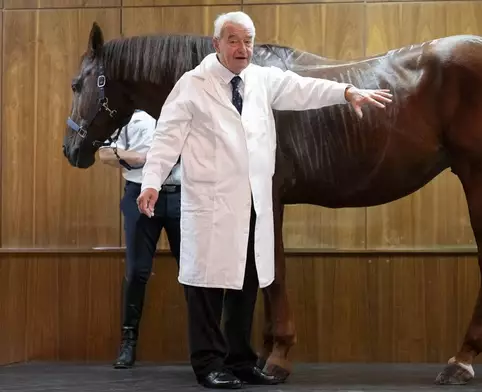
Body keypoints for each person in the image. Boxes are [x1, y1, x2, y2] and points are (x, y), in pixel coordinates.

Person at [136, 11, 392, 390]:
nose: (242, 49)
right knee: (206, 288)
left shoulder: (261, 80)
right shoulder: (192, 86)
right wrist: (151, 182)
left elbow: (303, 88)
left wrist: (345, 92)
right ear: (217, 44)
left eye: (248, 41)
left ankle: (240, 360)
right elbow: (166, 138)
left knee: (246, 284)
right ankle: (208, 364)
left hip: (253, 205)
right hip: (211, 204)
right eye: (234, 40)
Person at [98, 109, 182, 369]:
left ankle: (209, 346)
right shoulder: (130, 115)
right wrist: (145, 158)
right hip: (139, 194)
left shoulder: (184, 108)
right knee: (136, 272)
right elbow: (104, 152)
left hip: (182, 195)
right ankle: (128, 342)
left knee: (195, 273)